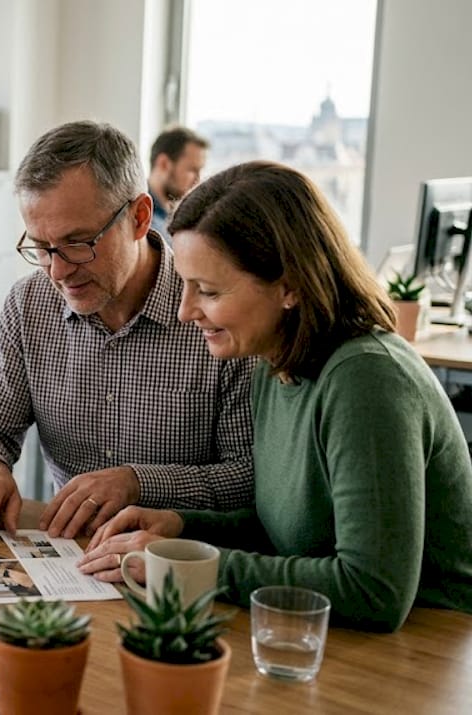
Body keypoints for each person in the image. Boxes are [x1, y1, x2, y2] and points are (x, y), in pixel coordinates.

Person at [79, 160, 472, 632]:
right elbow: (288, 534)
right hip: (326, 629)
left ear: (289, 286)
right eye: (185, 286)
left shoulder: (367, 379)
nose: (185, 312)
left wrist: (191, 567)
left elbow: (373, 590)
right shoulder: (273, 363)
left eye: (206, 290)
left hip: (430, 643)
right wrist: (182, 529)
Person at [0, 120, 255, 545]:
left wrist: (138, 483)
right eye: (41, 246)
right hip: (68, 559)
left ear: (139, 217)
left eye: (78, 242)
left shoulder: (214, 313)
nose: (57, 271)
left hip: (181, 566)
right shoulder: (29, 304)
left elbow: (249, 477)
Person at [146, 126, 209, 236]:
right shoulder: (143, 222)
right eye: (192, 170)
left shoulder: (176, 218)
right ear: (164, 163)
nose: (198, 180)